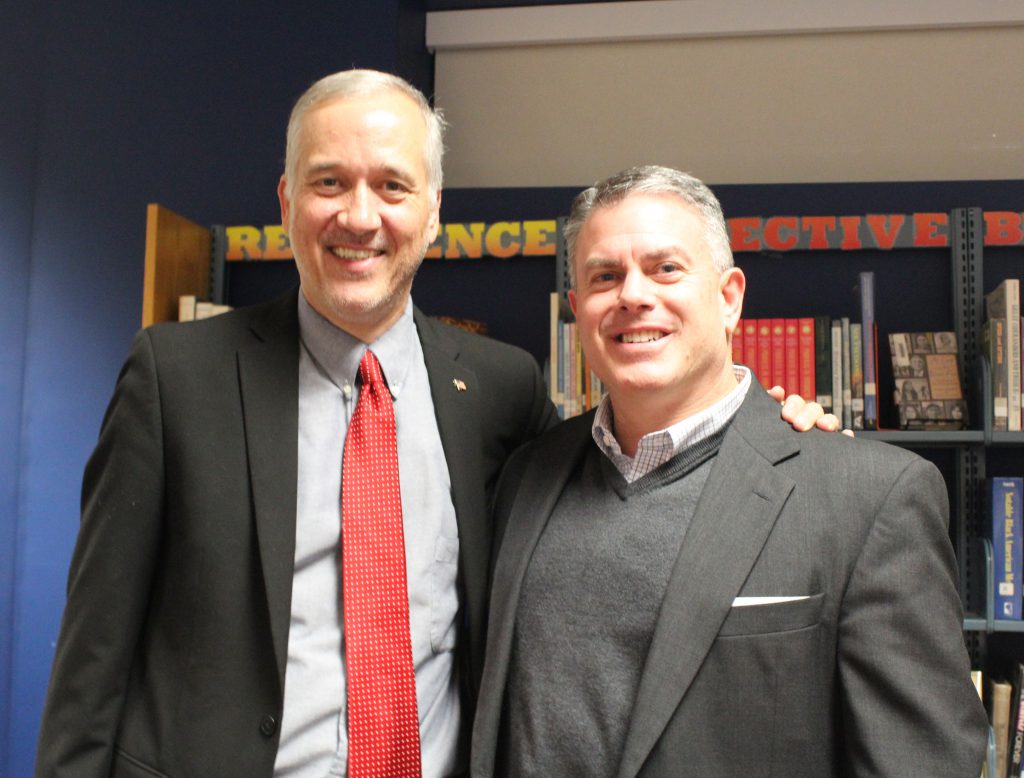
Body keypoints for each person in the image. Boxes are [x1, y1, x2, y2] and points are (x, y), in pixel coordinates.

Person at [35, 73, 835, 778]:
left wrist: (767, 436)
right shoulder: (176, 378)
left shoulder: (498, 386)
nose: (359, 216)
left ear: (432, 213)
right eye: (328, 182)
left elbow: (621, 482)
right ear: (286, 203)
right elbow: (92, 659)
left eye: (392, 186)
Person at [471, 166, 988, 777]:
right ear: (580, 311)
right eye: (605, 276)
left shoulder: (868, 496)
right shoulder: (526, 478)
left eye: (666, 268)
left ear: (728, 298)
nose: (633, 295)